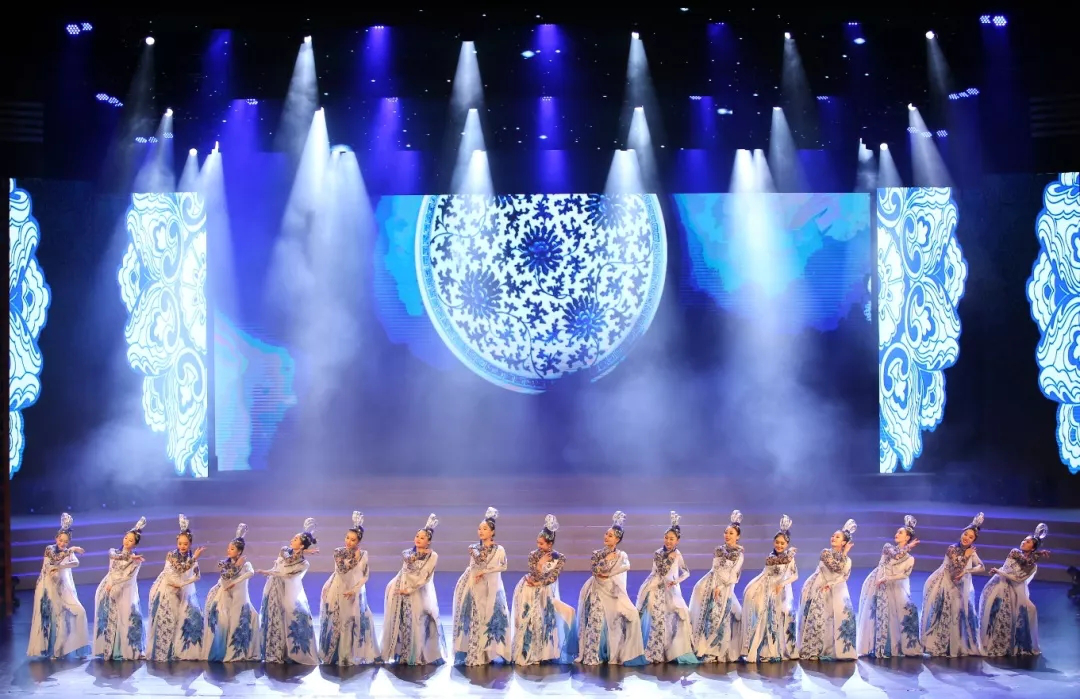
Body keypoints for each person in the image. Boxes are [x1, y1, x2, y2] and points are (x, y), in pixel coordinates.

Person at [574, 511, 646, 665]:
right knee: (597, 617)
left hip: (613, 590)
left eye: (610, 535)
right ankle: (593, 653)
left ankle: (625, 652)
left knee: (631, 614)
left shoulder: (621, 555)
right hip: (598, 589)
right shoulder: (597, 554)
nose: (606, 537)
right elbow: (596, 571)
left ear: (617, 540)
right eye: (606, 534)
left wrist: (610, 573)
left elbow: (626, 566)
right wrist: (605, 565)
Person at [510, 514, 574, 665]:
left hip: (545, 590)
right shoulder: (533, 555)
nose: (539, 546)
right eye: (537, 543)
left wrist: (540, 583)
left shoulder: (559, 558)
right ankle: (528, 652)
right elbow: (534, 574)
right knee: (530, 620)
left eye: (542, 544)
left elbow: (553, 577)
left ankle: (543, 653)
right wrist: (540, 564)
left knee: (546, 620)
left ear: (550, 544)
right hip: (529, 589)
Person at [978, 522, 1051, 656]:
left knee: (1030, 610)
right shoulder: (1015, 552)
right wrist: (1038, 554)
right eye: (1024, 540)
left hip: (1016, 589)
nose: (1023, 542)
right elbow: (1022, 562)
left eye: (1028, 542)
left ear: (1032, 548)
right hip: (1001, 585)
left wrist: (1037, 554)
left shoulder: (1032, 565)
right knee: (997, 613)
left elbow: (1019, 576)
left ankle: (1018, 643)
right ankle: (990, 641)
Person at [382, 513, 445, 665]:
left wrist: (410, 589)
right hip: (402, 589)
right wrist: (403, 589)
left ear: (429, 541)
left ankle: (418, 654)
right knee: (404, 621)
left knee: (419, 622)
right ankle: (403, 653)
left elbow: (426, 577)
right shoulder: (408, 553)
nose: (418, 539)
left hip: (419, 591)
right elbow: (407, 565)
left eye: (422, 537)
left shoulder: (433, 556)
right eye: (417, 536)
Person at [319, 511, 380, 665]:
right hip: (339, 588)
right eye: (347, 538)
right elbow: (342, 570)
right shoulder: (338, 552)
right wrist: (355, 558)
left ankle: (356, 653)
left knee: (359, 618)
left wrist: (355, 590)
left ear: (358, 541)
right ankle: (340, 654)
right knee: (342, 619)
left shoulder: (364, 554)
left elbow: (365, 575)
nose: (349, 541)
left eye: (353, 539)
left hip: (356, 591)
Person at [856, 514, 922, 658]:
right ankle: (875, 645)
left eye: (901, 533)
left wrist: (888, 578)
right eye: (897, 532)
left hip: (895, 585)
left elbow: (904, 575)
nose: (897, 534)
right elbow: (896, 555)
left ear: (907, 537)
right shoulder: (888, 547)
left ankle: (896, 646)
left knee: (900, 614)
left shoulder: (910, 559)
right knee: (877, 613)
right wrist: (908, 547)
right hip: (878, 581)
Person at [452, 507, 511, 665]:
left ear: (492, 532)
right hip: (475, 584)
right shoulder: (473, 548)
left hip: (492, 585)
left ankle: (490, 652)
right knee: (477, 616)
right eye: (479, 528)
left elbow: (504, 566)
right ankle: (477, 653)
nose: (481, 531)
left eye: (484, 529)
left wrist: (485, 571)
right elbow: (475, 563)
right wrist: (476, 574)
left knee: (491, 615)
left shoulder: (499, 549)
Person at [921, 512, 985, 657]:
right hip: (945, 582)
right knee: (948, 610)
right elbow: (956, 566)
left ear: (974, 540)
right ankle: (941, 644)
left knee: (964, 611)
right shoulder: (952, 548)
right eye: (965, 534)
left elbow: (981, 567)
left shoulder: (971, 551)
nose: (966, 538)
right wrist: (966, 556)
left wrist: (967, 570)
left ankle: (958, 644)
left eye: (970, 537)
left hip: (961, 585)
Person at [637, 511, 697, 663]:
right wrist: (650, 584)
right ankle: (655, 649)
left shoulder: (678, 554)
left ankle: (674, 649)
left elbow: (686, 572)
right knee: (654, 614)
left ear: (677, 541)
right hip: (656, 586)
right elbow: (657, 571)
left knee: (681, 613)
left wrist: (676, 581)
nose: (668, 541)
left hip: (671, 588)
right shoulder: (658, 553)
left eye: (672, 539)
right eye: (666, 538)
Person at [27, 513, 89, 659]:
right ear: (56, 538)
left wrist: (62, 566)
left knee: (78, 612)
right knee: (51, 617)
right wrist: (72, 549)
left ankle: (72, 648)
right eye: (60, 540)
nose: (62, 543)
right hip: (46, 588)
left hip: (62, 587)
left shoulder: (66, 551)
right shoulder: (49, 548)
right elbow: (55, 559)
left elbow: (76, 563)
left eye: (65, 542)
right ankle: (53, 650)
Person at [257, 517, 319, 664]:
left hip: (288, 591)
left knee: (291, 615)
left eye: (296, 539)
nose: (292, 539)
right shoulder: (284, 550)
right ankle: (274, 650)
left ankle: (291, 651)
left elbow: (287, 575)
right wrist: (270, 572)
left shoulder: (304, 564)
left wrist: (268, 572)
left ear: (302, 545)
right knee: (274, 616)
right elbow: (285, 561)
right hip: (274, 588)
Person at [147, 514, 207, 660]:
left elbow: (197, 575)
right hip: (169, 589)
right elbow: (180, 569)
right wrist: (194, 559)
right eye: (180, 543)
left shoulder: (191, 557)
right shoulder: (171, 555)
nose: (182, 546)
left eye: (185, 544)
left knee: (191, 617)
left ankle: (185, 650)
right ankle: (168, 649)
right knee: (170, 618)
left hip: (185, 590)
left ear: (190, 544)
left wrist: (185, 583)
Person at [797, 519, 858, 660]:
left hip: (837, 588)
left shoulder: (848, 560)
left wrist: (831, 584)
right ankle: (816, 648)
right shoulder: (825, 553)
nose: (833, 538)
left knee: (840, 616)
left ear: (844, 542)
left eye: (837, 537)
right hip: (820, 585)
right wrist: (844, 553)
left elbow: (844, 575)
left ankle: (837, 650)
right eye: (832, 536)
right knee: (819, 617)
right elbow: (836, 567)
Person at [741, 514, 799, 662]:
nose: (779, 545)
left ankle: (784, 649)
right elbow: (765, 574)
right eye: (777, 542)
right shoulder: (771, 557)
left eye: (782, 543)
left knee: (785, 614)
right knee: (766, 616)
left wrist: (782, 584)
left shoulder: (790, 557)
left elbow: (795, 576)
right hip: (770, 589)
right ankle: (768, 650)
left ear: (787, 544)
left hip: (783, 590)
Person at [689, 509, 744, 662]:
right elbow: (715, 569)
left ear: (738, 536)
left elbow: (734, 574)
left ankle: (723, 650)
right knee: (711, 616)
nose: (727, 535)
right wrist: (712, 586)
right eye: (726, 532)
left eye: (731, 533)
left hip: (726, 587)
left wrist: (721, 587)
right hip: (713, 583)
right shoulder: (719, 550)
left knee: (729, 616)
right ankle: (709, 649)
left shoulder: (739, 554)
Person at [203, 523, 261, 661]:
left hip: (240, 595)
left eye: (232, 548)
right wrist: (235, 566)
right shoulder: (224, 563)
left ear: (239, 552)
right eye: (228, 548)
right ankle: (224, 649)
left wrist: (236, 581)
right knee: (224, 620)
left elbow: (251, 573)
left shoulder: (246, 564)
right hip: (225, 595)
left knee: (244, 618)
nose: (228, 550)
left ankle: (239, 650)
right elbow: (225, 576)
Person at [92, 517, 148, 659]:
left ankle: (132, 650)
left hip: (125, 589)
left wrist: (133, 560)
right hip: (109, 584)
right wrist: (128, 557)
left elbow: (128, 577)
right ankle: (110, 650)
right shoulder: (114, 552)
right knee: (110, 617)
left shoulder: (136, 560)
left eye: (131, 540)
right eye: (126, 538)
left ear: (135, 544)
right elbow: (113, 563)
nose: (127, 541)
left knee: (131, 616)